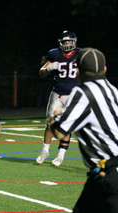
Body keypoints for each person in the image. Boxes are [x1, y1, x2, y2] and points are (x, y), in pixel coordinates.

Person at [49, 48, 118, 213]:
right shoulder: (113, 91)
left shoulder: (82, 92)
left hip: (109, 173)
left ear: (78, 71)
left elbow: (59, 132)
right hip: (101, 174)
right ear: (105, 69)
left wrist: (56, 116)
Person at [36, 30, 81, 166]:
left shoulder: (81, 54)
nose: (67, 44)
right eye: (65, 41)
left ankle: (61, 155)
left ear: (74, 42)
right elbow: (41, 73)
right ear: (60, 43)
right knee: (50, 123)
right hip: (57, 94)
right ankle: (45, 151)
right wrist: (49, 68)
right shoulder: (54, 54)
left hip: (73, 95)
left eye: (69, 41)